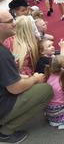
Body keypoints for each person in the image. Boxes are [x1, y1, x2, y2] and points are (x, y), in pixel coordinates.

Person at [0, 10, 52, 143]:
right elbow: (14, 88)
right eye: (10, 21)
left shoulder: (5, 48)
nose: (14, 23)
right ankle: (4, 131)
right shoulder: (2, 53)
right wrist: (34, 79)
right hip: (4, 102)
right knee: (45, 90)